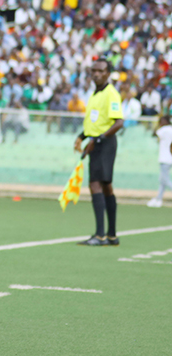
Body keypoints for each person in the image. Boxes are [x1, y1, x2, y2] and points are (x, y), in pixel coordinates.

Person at [73, 59, 124, 246]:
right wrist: (82, 136)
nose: (96, 74)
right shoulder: (94, 95)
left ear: (108, 73)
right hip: (97, 142)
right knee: (106, 186)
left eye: (100, 71)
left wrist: (97, 139)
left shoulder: (111, 94)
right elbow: (95, 123)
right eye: (93, 70)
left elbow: (118, 123)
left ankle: (100, 235)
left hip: (105, 144)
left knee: (95, 185)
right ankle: (111, 235)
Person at [150, 115, 172, 208]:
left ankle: (158, 199)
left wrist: (157, 125)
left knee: (165, 180)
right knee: (162, 181)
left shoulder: (163, 129)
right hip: (170, 158)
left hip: (164, 158)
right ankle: (158, 199)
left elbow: (154, 134)